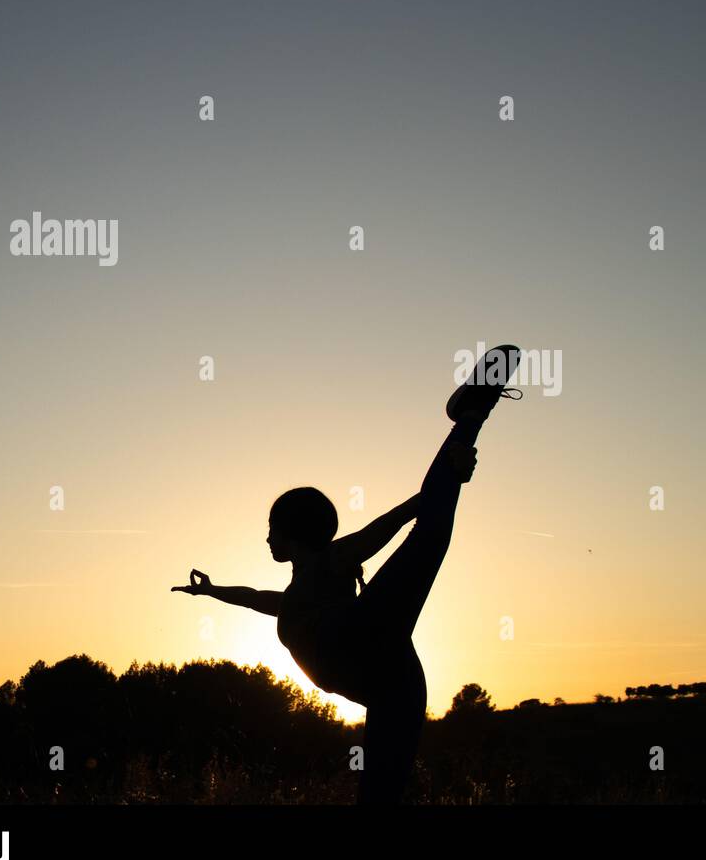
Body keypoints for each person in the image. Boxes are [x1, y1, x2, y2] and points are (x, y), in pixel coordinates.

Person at [173, 344, 521, 803]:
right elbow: (259, 597)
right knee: (379, 795)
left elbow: (381, 529)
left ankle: (470, 417)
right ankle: (465, 431)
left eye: (271, 530)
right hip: (391, 687)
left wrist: (441, 488)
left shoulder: (328, 562)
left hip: (371, 633)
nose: (266, 539)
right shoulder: (300, 595)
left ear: (289, 532)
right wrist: (214, 591)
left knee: (429, 536)